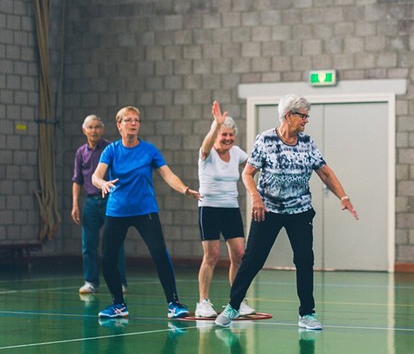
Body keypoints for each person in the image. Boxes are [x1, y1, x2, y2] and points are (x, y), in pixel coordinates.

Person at [214, 94, 358, 330]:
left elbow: (325, 172)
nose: (306, 120)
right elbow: (247, 173)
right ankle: (233, 306)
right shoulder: (265, 140)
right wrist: (255, 198)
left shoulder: (307, 143)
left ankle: (307, 314)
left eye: (307, 116)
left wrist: (343, 197)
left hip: (299, 211)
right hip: (267, 210)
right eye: (303, 116)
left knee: (304, 259)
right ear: (289, 115)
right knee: (252, 260)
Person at [92, 106, 201, 319]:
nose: (133, 123)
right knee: (107, 259)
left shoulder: (149, 150)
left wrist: (185, 190)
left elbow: (168, 175)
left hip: (145, 211)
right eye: (128, 120)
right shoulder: (111, 150)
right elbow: (96, 176)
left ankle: (174, 303)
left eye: (136, 120)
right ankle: (118, 304)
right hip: (117, 211)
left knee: (160, 254)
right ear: (119, 125)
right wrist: (102, 183)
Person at [195, 101, 255, 318]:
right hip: (209, 208)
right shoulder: (207, 153)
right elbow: (205, 145)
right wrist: (215, 125)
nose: (228, 139)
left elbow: (254, 164)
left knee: (239, 254)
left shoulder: (237, 152)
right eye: (224, 135)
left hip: (231, 209)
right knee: (211, 255)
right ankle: (203, 302)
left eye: (231, 135)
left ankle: (237, 301)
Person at [72, 114, 127, 295]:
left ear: (102, 130)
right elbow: (77, 180)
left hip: (110, 201)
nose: (94, 130)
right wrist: (75, 204)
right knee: (89, 244)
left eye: (97, 127)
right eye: (90, 127)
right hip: (91, 202)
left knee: (115, 243)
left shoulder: (111, 149)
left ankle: (120, 282)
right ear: (84, 130)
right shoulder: (81, 153)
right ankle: (90, 282)